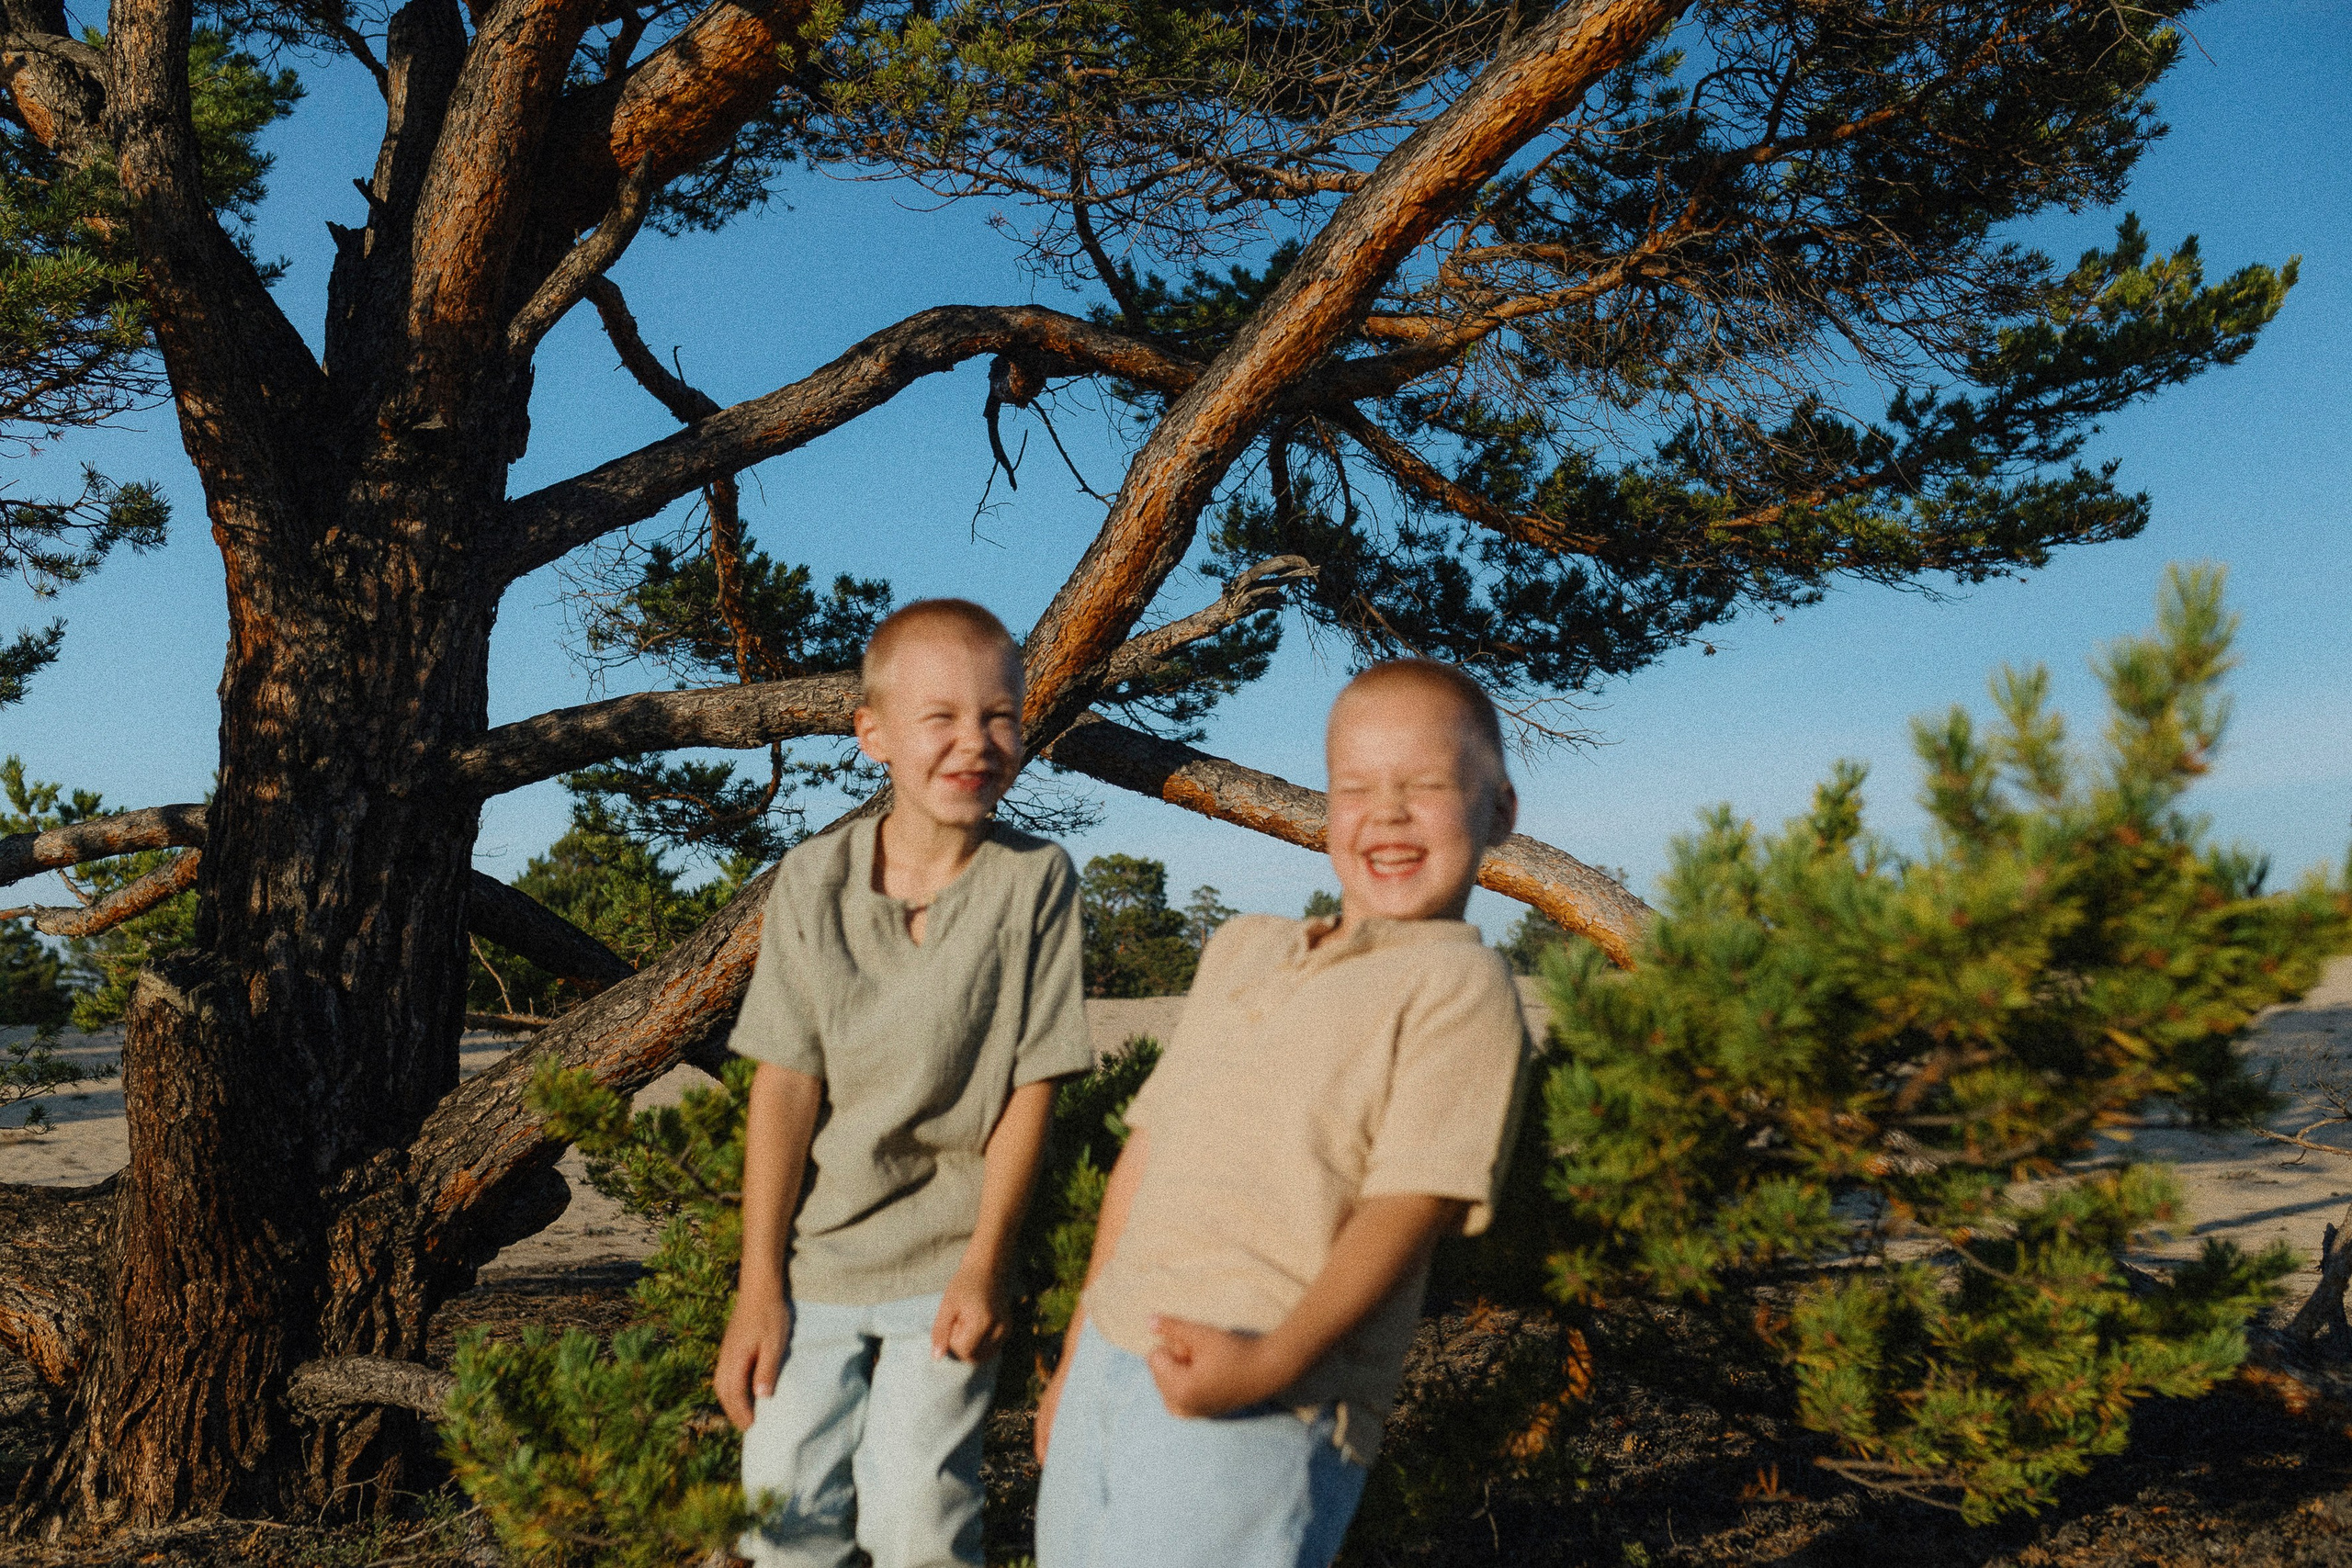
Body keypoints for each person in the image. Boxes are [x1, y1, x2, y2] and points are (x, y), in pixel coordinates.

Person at [1033, 657, 1532, 1568]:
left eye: (1424, 787)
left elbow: (1408, 1208)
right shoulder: (1243, 950)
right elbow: (1146, 1153)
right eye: (1355, 789)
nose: (1385, 813)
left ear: (1498, 810)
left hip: (1261, 1387)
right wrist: (1074, 1357)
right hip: (1113, 1352)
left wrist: (1268, 1365)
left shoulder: (1461, 983)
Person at [717, 598, 1091, 1568]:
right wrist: (758, 1284)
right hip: (817, 1265)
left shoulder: (1035, 881)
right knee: (781, 1518)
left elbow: (1031, 1085)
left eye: (999, 715)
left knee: (917, 1519)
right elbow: (785, 1084)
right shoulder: (811, 880)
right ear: (873, 735)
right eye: (942, 718)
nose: (976, 741)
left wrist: (987, 1263)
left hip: (947, 1265)